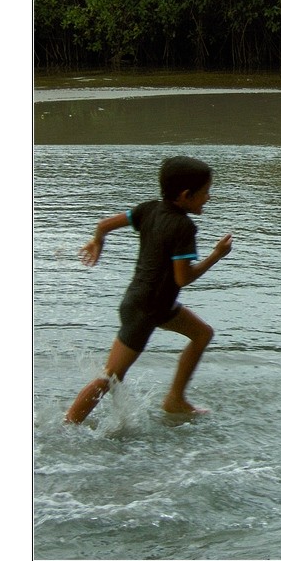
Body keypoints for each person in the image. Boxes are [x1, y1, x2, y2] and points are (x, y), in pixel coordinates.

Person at [65, 156, 233, 424]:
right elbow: (183, 279)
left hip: (149, 302)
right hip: (148, 309)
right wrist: (216, 255)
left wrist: (97, 242)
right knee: (112, 376)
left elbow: (103, 225)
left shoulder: (149, 209)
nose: (208, 198)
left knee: (202, 334)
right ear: (185, 195)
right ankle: (68, 424)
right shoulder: (183, 227)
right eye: (204, 193)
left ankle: (175, 400)